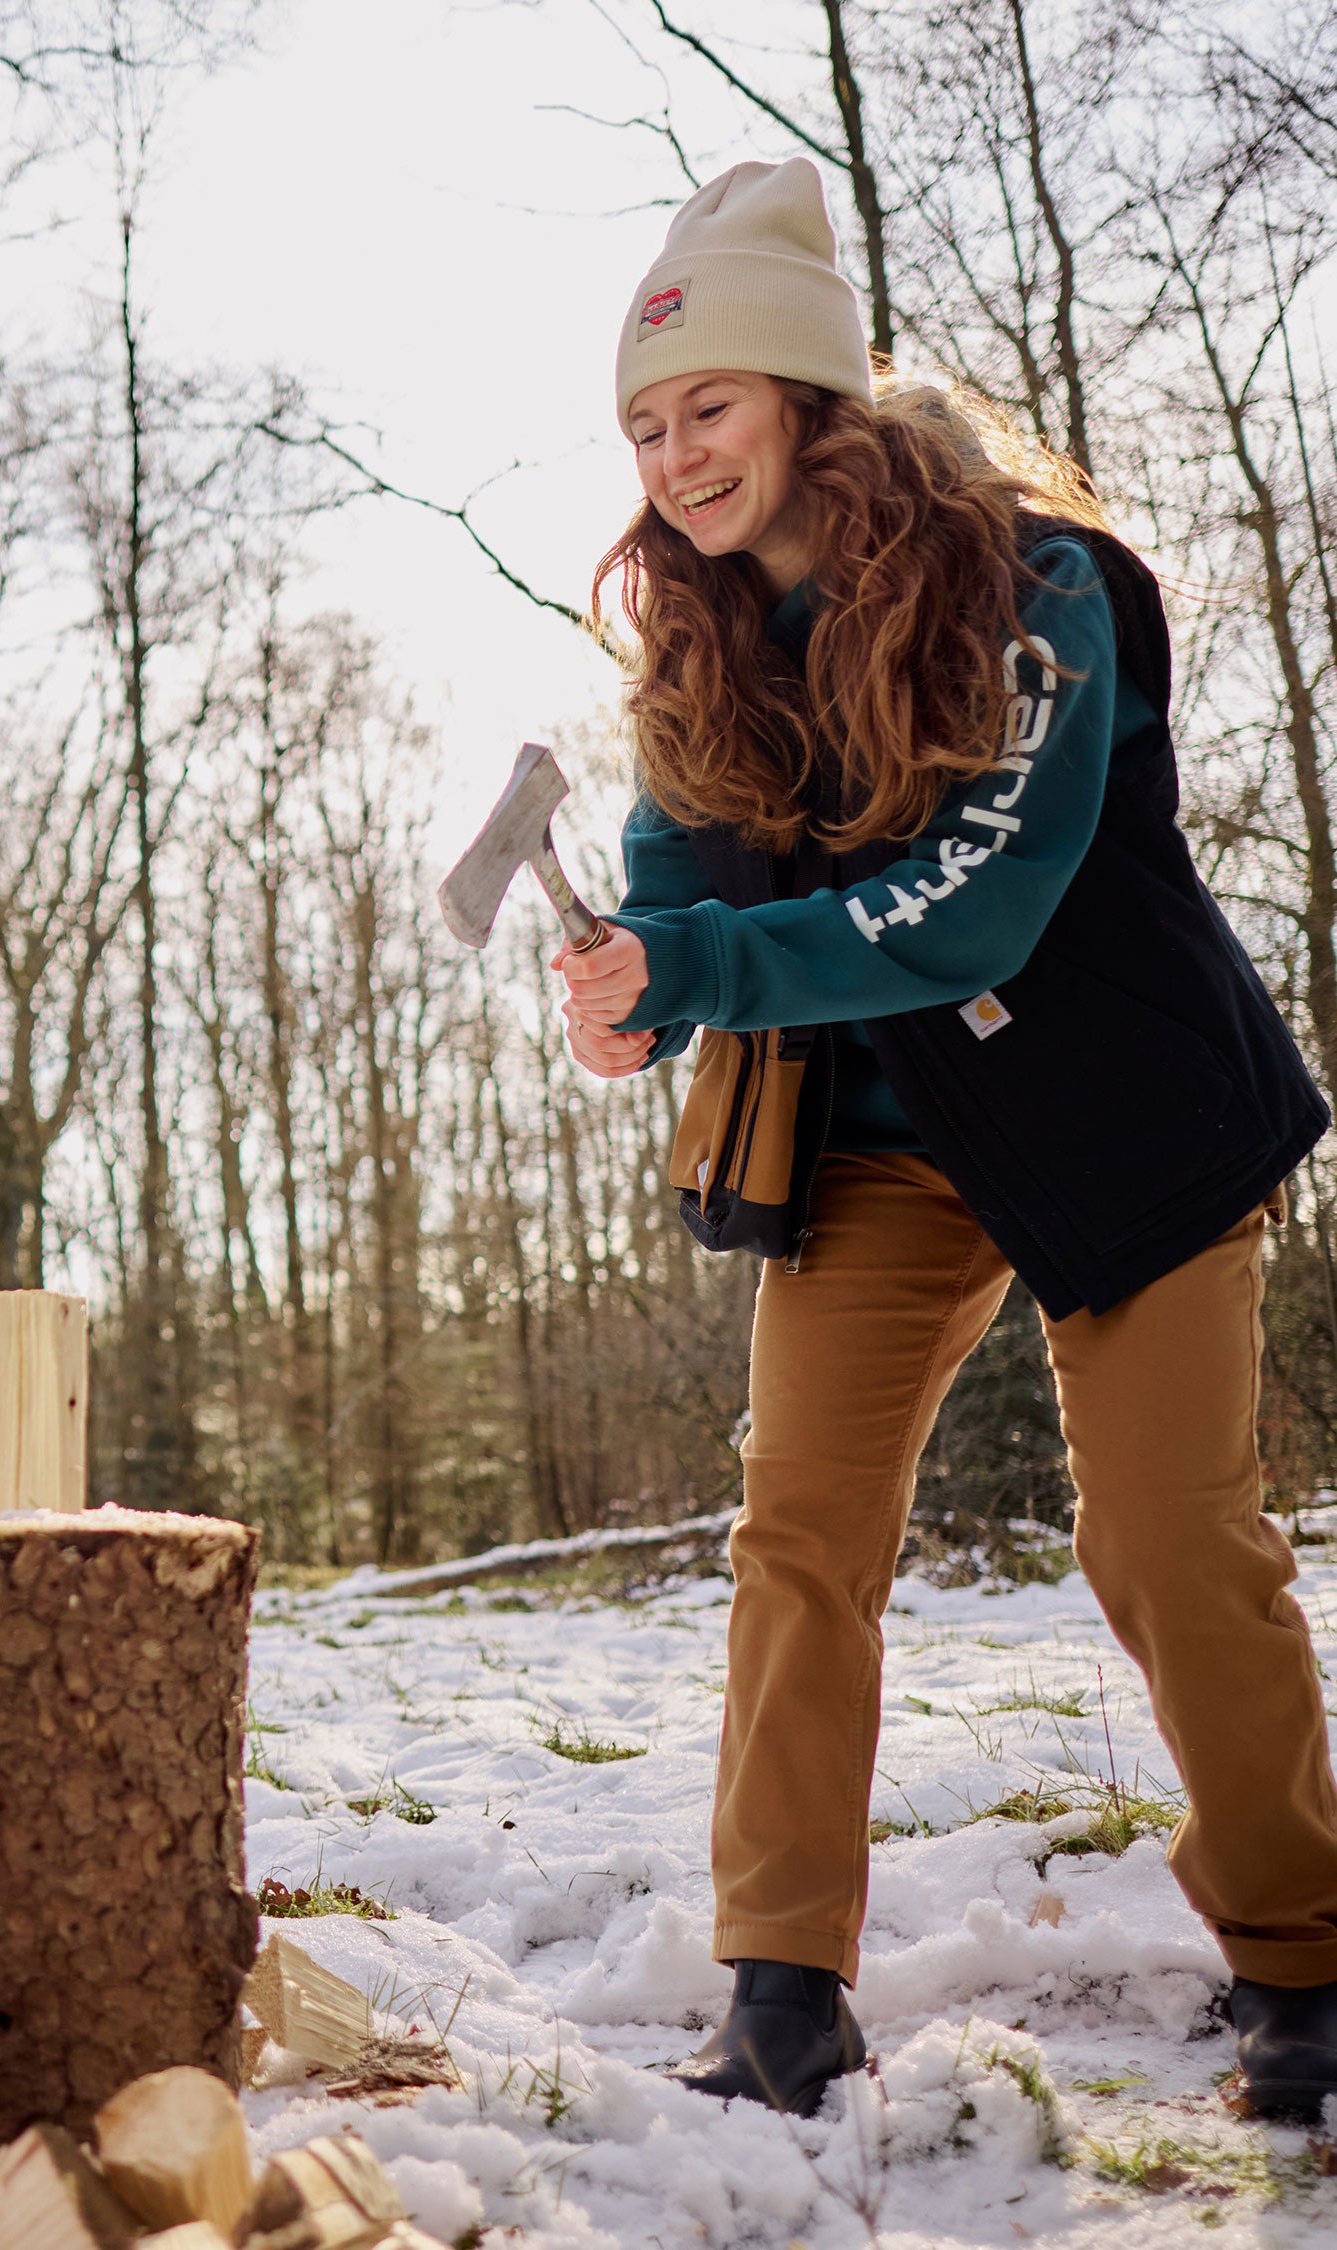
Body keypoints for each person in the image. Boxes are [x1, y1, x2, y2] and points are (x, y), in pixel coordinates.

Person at [557, 158, 1337, 2120]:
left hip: (1129, 1116)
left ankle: (1310, 1964)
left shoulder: (1036, 585)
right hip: (882, 1148)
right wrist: (633, 983)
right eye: (644, 427)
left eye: (706, 406)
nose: (674, 456)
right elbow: (676, 901)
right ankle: (780, 1991)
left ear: (812, 398)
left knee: (1169, 1541)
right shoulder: (701, 638)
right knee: (798, 1540)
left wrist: (715, 959)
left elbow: (980, 905)